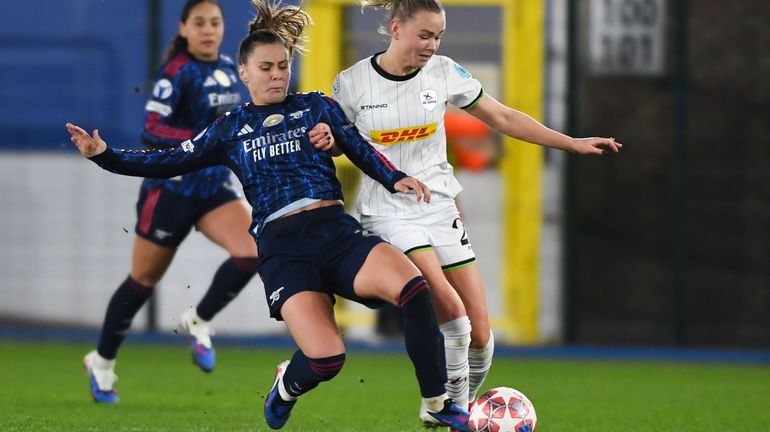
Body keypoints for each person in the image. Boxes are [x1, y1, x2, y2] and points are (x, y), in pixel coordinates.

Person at [66, 1, 471, 430]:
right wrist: (106, 156)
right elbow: (167, 160)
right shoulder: (229, 128)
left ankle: (436, 403)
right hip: (284, 249)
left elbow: (357, 146)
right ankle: (286, 385)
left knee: (414, 289)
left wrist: (395, 178)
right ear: (244, 72)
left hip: (336, 232)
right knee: (327, 359)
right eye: (266, 67)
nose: (277, 74)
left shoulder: (317, 108)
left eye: (283, 65)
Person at [319, 0, 622, 422]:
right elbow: (337, 142)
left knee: (480, 335)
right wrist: (326, 141)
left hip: (439, 206)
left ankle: (461, 407)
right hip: (387, 211)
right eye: (424, 35)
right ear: (395, 28)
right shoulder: (352, 83)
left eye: (438, 36)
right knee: (454, 317)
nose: (432, 44)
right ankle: (452, 414)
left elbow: (503, 116)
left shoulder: (444, 72)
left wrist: (571, 142)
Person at [81, 0, 260, 404]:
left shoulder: (232, 68)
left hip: (213, 188)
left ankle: (198, 322)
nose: (209, 30)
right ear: (183, 29)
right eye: (199, 23)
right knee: (142, 281)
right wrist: (199, 143)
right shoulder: (176, 73)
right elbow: (151, 127)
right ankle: (102, 363)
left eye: (215, 22)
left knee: (252, 251)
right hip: (171, 190)